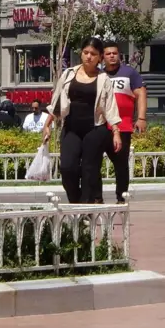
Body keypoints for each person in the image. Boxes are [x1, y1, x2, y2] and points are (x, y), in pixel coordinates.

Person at [42, 37, 123, 204]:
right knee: (67, 168)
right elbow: (57, 102)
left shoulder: (103, 79)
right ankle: (76, 202)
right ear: (81, 53)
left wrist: (116, 132)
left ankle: (86, 208)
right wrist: (47, 124)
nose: (89, 57)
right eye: (86, 52)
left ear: (100, 57)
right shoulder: (68, 74)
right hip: (71, 128)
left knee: (89, 170)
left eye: (93, 54)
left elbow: (110, 107)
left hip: (95, 129)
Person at [102, 41, 147, 204]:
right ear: (103, 57)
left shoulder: (130, 73)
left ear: (119, 55)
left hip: (123, 126)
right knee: (92, 163)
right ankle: (96, 198)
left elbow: (141, 93)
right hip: (100, 126)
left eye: (114, 53)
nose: (112, 56)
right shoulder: (99, 75)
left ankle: (121, 198)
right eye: (108, 54)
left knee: (121, 164)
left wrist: (141, 118)